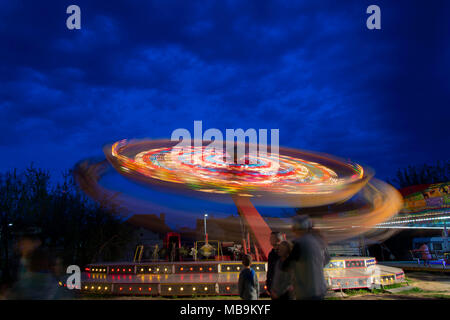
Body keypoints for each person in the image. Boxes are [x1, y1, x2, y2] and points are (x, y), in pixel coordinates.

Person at [283, 215, 330, 300]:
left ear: (295, 229)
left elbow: (285, 266)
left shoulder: (298, 243)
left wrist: (284, 254)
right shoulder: (319, 242)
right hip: (320, 289)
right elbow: (326, 260)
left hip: (306, 292)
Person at [266, 231, 283, 296]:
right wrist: (268, 284)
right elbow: (270, 270)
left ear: (278, 240)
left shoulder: (285, 253)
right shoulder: (271, 254)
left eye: (271, 238)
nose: (270, 240)